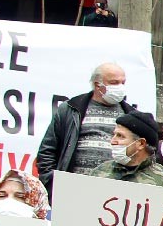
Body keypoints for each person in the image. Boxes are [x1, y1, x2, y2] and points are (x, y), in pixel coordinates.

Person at [35, 63, 128, 192]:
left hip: (112, 193)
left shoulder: (130, 115)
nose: (120, 87)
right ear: (97, 85)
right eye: (114, 82)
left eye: (123, 82)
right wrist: (52, 184)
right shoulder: (70, 109)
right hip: (71, 191)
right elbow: (47, 151)